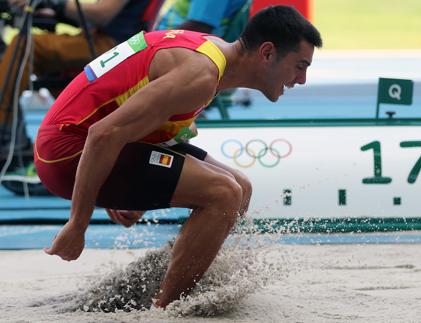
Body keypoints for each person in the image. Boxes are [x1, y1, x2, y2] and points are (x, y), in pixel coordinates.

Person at [36, 5, 322, 307]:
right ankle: (166, 310)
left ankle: (171, 279)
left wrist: (128, 186)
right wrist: (77, 224)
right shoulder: (199, 76)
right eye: (300, 66)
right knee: (223, 194)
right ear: (267, 53)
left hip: (87, 141)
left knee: (241, 187)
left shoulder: (208, 52)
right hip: (64, 154)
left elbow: (134, 117)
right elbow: (102, 135)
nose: (301, 79)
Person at [0, 0, 161, 178]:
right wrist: (54, 9)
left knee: (24, 45)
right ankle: (64, 137)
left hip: (115, 45)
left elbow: (101, 14)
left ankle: (4, 126)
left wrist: (52, 3)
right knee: (39, 55)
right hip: (113, 39)